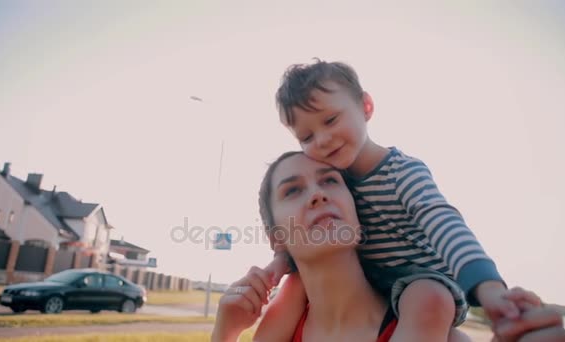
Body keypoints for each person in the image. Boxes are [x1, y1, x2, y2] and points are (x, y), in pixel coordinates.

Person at [259, 59, 544, 340]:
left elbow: (445, 224)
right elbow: (304, 231)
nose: (321, 140)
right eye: (306, 137)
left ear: (366, 106)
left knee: (426, 298)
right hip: (375, 286)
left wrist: (489, 288)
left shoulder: (402, 172)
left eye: (331, 120)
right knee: (295, 286)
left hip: (424, 281)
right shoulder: (333, 181)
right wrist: (280, 261)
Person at [212, 152, 471, 341]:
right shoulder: (281, 330)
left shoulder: (431, 331)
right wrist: (225, 332)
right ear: (277, 237)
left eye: (330, 181)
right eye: (292, 190)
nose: (317, 194)